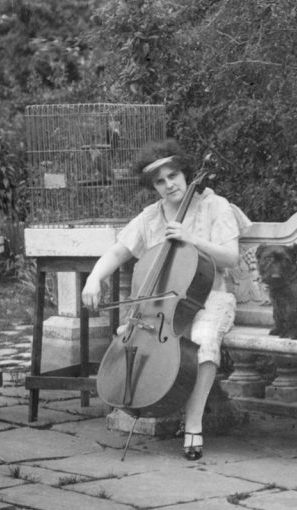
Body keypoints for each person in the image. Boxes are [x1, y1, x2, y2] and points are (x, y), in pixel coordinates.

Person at [81, 139, 248, 460]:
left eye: (173, 176)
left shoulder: (216, 207)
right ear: (153, 186)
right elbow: (119, 251)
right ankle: (157, 405)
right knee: (153, 343)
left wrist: (191, 238)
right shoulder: (150, 217)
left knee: (202, 339)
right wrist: (94, 277)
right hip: (162, 307)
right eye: (160, 180)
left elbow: (230, 257)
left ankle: (194, 425)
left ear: (185, 174)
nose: (169, 184)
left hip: (211, 297)